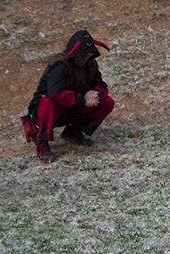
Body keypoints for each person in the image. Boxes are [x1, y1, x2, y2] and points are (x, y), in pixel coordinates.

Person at [23, 30, 115, 164]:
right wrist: (82, 98)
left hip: (73, 106)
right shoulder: (59, 67)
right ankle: (42, 144)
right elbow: (56, 93)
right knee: (48, 101)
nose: (85, 59)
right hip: (49, 111)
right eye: (83, 55)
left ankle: (73, 133)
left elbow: (99, 83)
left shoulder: (90, 64)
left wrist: (95, 93)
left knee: (106, 102)